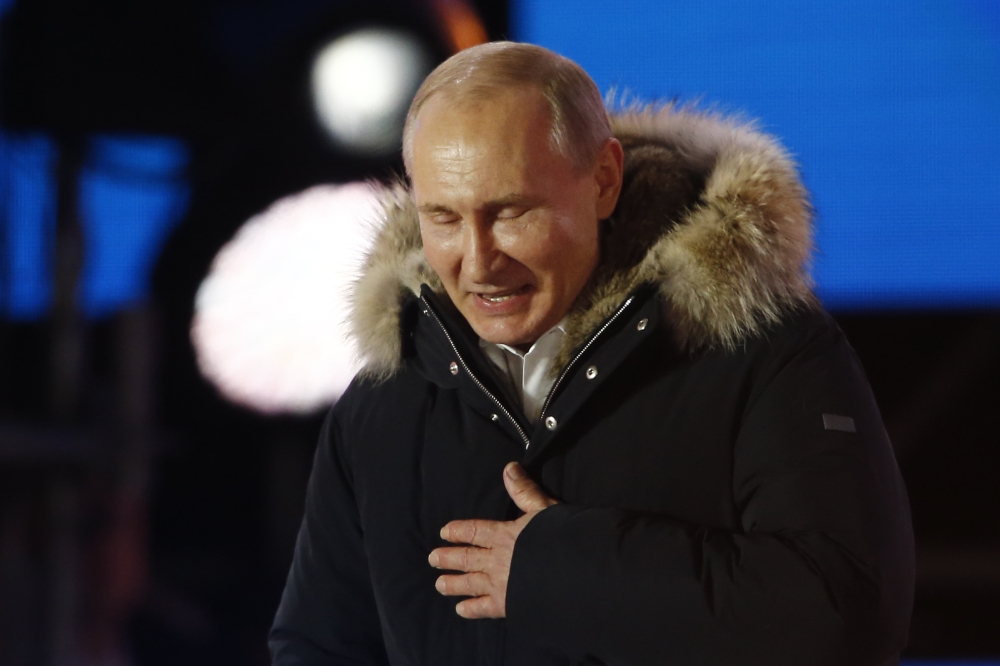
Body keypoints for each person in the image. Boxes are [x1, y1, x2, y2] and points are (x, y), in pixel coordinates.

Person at [270, 41, 914, 665]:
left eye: (511, 212)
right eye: (444, 218)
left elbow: (846, 615)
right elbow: (319, 645)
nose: (479, 261)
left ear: (603, 180)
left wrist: (561, 572)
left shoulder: (764, 350)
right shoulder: (384, 399)